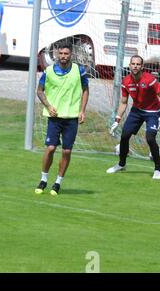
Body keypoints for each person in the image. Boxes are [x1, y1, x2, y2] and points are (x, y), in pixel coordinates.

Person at [35, 43, 89, 195]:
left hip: (71, 117)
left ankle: (58, 182)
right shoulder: (49, 71)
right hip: (55, 117)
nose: (63, 56)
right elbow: (39, 91)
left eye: (66, 53)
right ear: (57, 54)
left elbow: (85, 90)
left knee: (66, 151)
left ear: (71, 55)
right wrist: (48, 106)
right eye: (61, 53)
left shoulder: (79, 71)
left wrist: (82, 111)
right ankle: (43, 179)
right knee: (51, 148)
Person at [107, 55, 160, 179]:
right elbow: (124, 103)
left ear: (142, 66)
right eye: (133, 64)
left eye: (138, 64)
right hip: (137, 111)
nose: (135, 66)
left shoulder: (149, 79)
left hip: (153, 112)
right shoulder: (126, 82)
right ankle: (121, 164)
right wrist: (117, 120)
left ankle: (157, 169)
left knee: (150, 138)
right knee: (124, 135)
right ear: (129, 65)